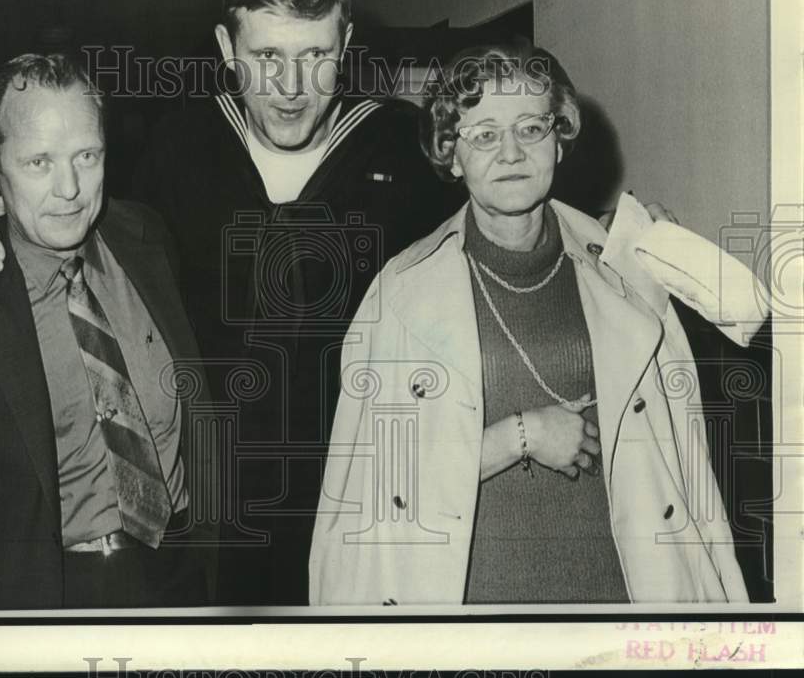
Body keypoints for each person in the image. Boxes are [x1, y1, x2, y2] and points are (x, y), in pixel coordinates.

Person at [0, 0, 465, 605]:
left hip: (366, 502)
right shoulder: (179, 152)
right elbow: (69, 214)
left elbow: (494, 246)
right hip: (214, 527)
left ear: (349, 43)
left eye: (317, 56)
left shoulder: (404, 154)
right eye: (266, 56)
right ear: (225, 46)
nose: (291, 87)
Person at [309, 42, 749, 605]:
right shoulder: (400, 295)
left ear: (559, 140)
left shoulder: (618, 264)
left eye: (531, 128)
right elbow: (374, 490)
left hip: (623, 595)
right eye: (484, 135)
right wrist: (521, 436)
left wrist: (675, 263)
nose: (511, 153)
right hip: (478, 604)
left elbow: (686, 457)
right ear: (450, 154)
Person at [0, 53, 216, 610]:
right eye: (38, 162)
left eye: (86, 156)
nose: (69, 189)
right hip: (48, 593)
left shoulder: (148, 238)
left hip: (180, 573)